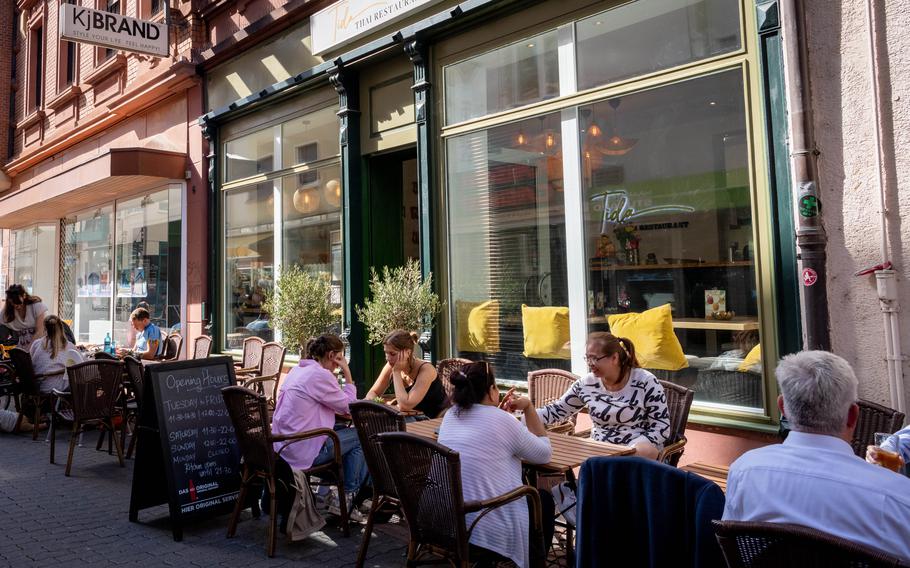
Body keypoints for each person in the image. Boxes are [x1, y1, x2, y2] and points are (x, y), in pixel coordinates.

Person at [723, 351, 910, 561]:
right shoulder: (898, 496)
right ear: (853, 415)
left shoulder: (744, 470)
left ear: (783, 408)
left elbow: (734, 549)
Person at [438, 362, 554, 568]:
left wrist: (498, 413)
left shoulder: (451, 415)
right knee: (542, 500)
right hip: (484, 526)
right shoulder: (502, 420)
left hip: (446, 521)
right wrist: (528, 407)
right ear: (491, 391)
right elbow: (544, 454)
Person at [516, 332, 670, 459]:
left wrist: (632, 448)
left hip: (637, 450)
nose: (590, 363)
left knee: (638, 454)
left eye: (595, 358)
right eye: (587, 358)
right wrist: (519, 418)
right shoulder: (587, 384)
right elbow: (556, 410)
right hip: (600, 449)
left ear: (614, 358)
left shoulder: (645, 382)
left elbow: (662, 428)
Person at [270, 334, 368, 525]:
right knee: (361, 436)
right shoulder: (320, 375)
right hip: (302, 449)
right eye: (339, 359)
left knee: (345, 437)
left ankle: (326, 495)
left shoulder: (297, 369)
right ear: (332, 355)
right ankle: (345, 500)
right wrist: (348, 373)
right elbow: (349, 407)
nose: (338, 365)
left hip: (283, 446)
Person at [364, 329, 446, 418]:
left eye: (392, 353)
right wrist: (378, 404)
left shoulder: (426, 370)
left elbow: (405, 406)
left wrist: (396, 372)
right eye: (386, 353)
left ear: (407, 352)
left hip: (436, 421)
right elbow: (373, 392)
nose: (387, 358)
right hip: (412, 419)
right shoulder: (391, 365)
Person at [29, 315, 83, 394]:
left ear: (45, 328)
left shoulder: (36, 344)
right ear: (61, 328)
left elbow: (31, 362)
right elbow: (82, 362)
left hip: (38, 386)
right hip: (55, 388)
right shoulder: (68, 345)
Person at [2, 284, 47, 349]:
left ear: (24, 296)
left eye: (18, 302)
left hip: (40, 347)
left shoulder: (37, 306)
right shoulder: (8, 311)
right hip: (22, 347)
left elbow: (40, 331)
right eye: (12, 302)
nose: (16, 305)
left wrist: (28, 349)